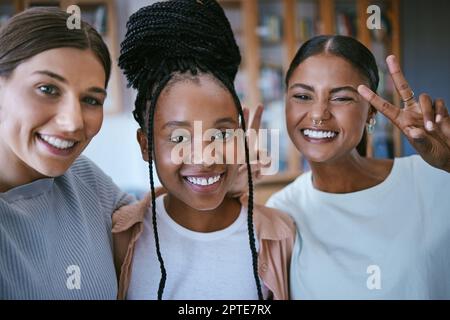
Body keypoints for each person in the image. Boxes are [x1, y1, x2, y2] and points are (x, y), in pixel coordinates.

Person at [112, 0, 295, 300]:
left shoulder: (280, 236)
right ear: (146, 145)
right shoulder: (122, 236)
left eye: (222, 133)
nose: (206, 156)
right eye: (180, 138)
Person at [266, 35, 450, 299]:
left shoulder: (433, 178)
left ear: (371, 112)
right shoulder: (281, 212)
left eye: (341, 98)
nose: (318, 114)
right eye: (303, 96)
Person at [0, 7, 133, 299]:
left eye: (90, 99)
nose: (73, 122)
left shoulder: (84, 177)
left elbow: (151, 225)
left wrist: (221, 193)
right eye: (47, 89)